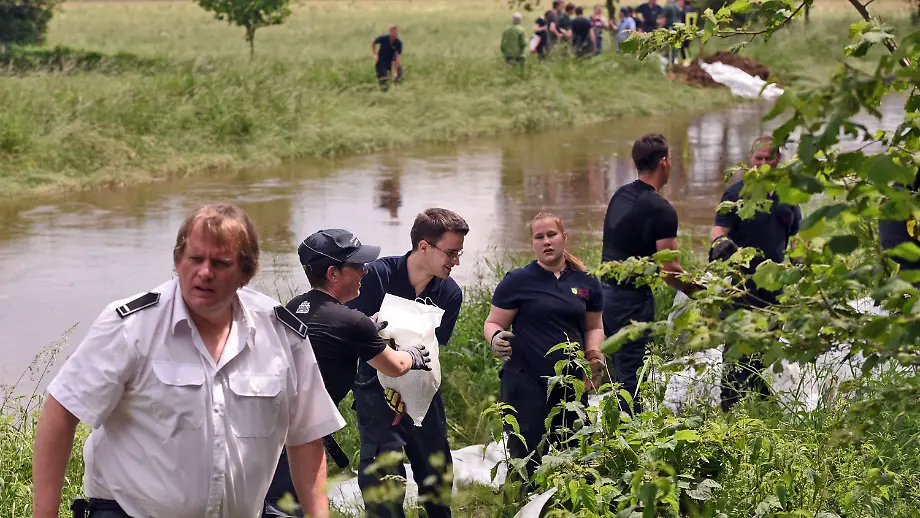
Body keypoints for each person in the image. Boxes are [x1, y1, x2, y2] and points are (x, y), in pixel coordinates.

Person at [32, 203, 346, 518]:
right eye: (195, 259)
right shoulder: (131, 327)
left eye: (220, 263)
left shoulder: (280, 334)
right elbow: (61, 412)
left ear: (246, 272)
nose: (205, 272)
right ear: (178, 261)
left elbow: (306, 437)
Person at [263, 229, 432, 517]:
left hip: (275, 426)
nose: (365, 271)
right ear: (333, 273)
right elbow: (395, 366)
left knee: (275, 503)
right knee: (287, 509)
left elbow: (325, 332)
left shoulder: (295, 306)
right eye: (357, 265)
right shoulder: (351, 322)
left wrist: (364, 329)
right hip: (297, 437)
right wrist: (413, 356)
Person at [346, 208, 470, 518]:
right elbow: (347, 330)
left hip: (422, 386)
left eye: (459, 253)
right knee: (383, 472)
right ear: (424, 246)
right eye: (451, 253)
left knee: (436, 468)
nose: (456, 261)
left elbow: (435, 345)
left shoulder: (449, 293)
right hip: (375, 385)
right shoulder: (376, 276)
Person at [483, 212, 604, 511]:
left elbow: (594, 327)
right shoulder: (517, 281)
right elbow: (493, 322)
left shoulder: (586, 282)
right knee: (526, 459)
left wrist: (593, 357)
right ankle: (520, 511)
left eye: (552, 234)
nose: (546, 241)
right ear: (532, 243)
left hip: (571, 385)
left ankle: (566, 512)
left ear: (564, 237)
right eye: (539, 237)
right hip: (525, 384)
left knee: (574, 456)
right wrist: (495, 338)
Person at [600, 133, 698, 414]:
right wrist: (700, 291)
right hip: (631, 302)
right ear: (664, 162)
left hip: (603, 296)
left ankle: (617, 427)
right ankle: (629, 433)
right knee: (631, 377)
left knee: (619, 373)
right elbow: (670, 271)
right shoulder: (662, 210)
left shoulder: (620, 194)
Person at [708, 136, 802, 410]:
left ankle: (760, 404)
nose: (761, 164)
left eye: (767, 159)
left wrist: (800, 258)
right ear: (751, 159)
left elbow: (797, 236)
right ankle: (730, 405)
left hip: (775, 286)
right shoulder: (736, 193)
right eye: (757, 158)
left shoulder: (788, 196)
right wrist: (719, 243)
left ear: (778, 159)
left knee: (767, 346)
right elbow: (718, 229)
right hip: (740, 285)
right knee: (736, 348)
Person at [372, 25, 403, 90]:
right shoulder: (384, 38)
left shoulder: (399, 43)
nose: (394, 34)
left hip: (391, 60)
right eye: (392, 32)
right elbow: (373, 42)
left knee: (399, 73)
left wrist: (395, 71)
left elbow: (397, 57)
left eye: (395, 32)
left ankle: (397, 88)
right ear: (390, 32)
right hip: (381, 60)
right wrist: (375, 54)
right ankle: (384, 91)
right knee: (383, 77)